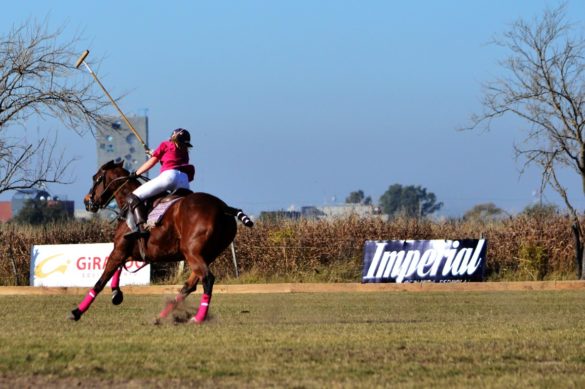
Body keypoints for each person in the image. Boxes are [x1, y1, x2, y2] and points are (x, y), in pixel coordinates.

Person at [125, 128, 195, 240]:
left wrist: (136, 173)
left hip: (169, 177)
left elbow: (152, 162)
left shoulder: (165, 144)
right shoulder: (185, 151)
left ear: (172, 137)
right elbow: (171, 159)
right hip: (184, 180)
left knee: (133, 196)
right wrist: (154, 153)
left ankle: (139, 229)